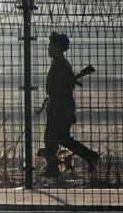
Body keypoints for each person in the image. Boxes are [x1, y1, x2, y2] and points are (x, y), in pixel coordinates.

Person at [40, 32, 99, 177]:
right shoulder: (59, 64)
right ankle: (89, 156)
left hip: (59, 108)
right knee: (61, 137)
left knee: (51, 137)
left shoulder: (60, 65)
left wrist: (60, 107)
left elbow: (63, 91)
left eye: (51, 46)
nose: (48, 49)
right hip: (58, 106)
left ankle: (53, 168)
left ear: (58, 48)